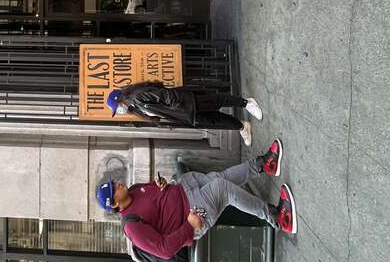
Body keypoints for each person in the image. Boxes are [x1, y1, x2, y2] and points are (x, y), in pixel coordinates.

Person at [96, 139, 297, 261]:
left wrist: (162, 184)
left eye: (115, 183)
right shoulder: (131, 227)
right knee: (223, 188)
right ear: (114, 204)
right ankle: (277, 218)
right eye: (114, 189)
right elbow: (164, 250)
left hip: (186, 186)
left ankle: (264, 164)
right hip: (192, 214)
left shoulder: (132, 190)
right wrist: (189, 226)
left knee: (223, 178)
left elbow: (158, 198)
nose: (118, 185)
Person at [106, 81, 261, 146]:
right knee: (215, 121)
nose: (119, 111)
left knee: (216, 101)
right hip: (185, 114)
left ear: (120, 99)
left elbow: (165, 96)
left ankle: (247, 103)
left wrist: (179, 108)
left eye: (117, 107)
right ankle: (241, 127)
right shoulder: (136, 106)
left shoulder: (137, 96)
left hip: (187, 103)